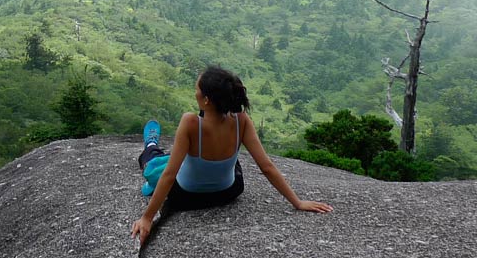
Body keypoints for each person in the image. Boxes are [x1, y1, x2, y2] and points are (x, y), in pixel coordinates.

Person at [131, 66, 332, 244]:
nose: (195, 93)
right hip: (228, 192)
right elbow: (266, 167)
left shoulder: (190, 122)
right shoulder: (241, 121)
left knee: (155, 165)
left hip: (186, 197)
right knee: (231, 163)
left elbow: (169, 175)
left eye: (197, 90)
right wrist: (297, 202)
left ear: (207, 100)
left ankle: (150, 144)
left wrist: (147, 217)